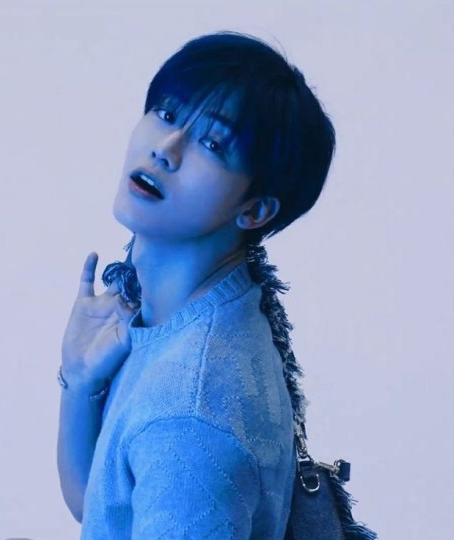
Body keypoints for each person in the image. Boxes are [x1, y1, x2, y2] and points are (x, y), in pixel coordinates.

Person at [57, 31, 335, 539]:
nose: (165, 150)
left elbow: (178, 447)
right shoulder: (200, 313)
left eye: (212, 144)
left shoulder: (190, 409)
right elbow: (101, 508)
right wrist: (80, 383)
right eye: (166, 113)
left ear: (254, 209)